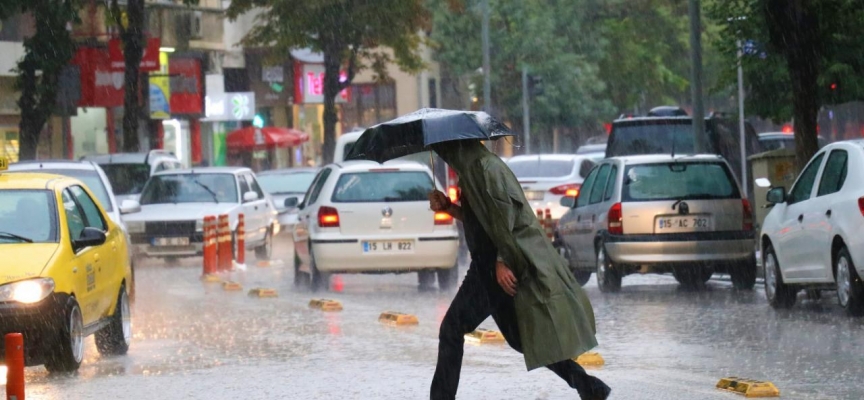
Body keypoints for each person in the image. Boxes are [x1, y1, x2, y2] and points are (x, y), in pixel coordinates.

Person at [429, 140, 610, 400]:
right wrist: (448, 208)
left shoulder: (485, 169)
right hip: (488, 265)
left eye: (443, 150)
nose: (442, 156)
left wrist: (503, 261)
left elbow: (507, 218)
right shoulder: (472, 170)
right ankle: (589, 386)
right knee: (523, 339)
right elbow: (482, 221)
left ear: (457, 147)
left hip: (492, 269)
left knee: (451, 330)